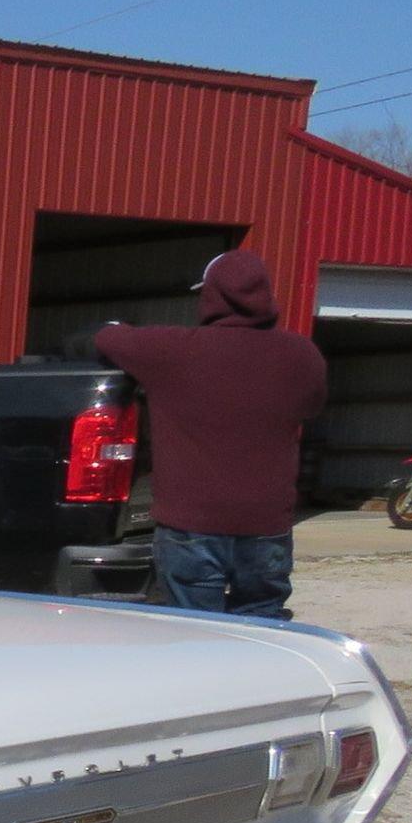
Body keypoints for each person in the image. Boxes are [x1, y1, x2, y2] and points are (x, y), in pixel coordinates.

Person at [95, 249, 326, 618]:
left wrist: (113, 326)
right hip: (266, 526)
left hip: (191, 526)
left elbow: (107, 338)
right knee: (261, 630)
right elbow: (311, 408)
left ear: (211, 296)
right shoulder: (303, 355)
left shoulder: (172, 350)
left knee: (194, 634)